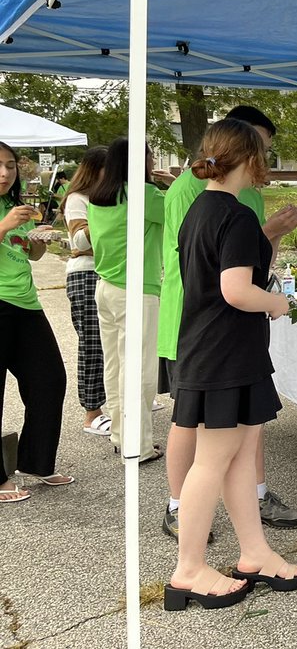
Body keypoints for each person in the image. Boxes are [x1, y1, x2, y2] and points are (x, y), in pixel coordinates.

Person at [166, 118, 297, 611]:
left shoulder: (200, 209)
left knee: (242, 456)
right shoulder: (236, 214)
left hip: (222, 352)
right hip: (223, 355)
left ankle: (255, 553)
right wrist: (278, 303)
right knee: (211, 461)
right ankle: (188, 569)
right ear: (250, 159)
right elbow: (235, 290)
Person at [0, 140, 71, 503]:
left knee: (49, 380)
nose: (5, 173)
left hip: (26, 302)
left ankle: (36, 461)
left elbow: (31, 254)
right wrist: (5, 225)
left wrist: (39, 239)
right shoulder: (9, 214)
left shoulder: (15, 206)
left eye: (10, 166)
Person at [88, 137, 165, 464]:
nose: (153, 163)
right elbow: (179, 213)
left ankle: (121, 435)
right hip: (137, 290)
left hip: (106, 286)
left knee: (116, 367)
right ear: (139, 161)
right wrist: (172, 183)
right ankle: (139, 445)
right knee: (140, 371)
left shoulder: (100, 195)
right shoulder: (144, 194)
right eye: (150, 157)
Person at [62, 146, 110, 435]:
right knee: (92, 343)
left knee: (112, 342)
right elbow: (79, 241)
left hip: (109, 272)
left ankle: (117, 402)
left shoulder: (109, 197)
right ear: (96, 170)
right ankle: (92, 412)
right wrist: (106, 217)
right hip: (85, 274)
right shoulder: (78, 199)